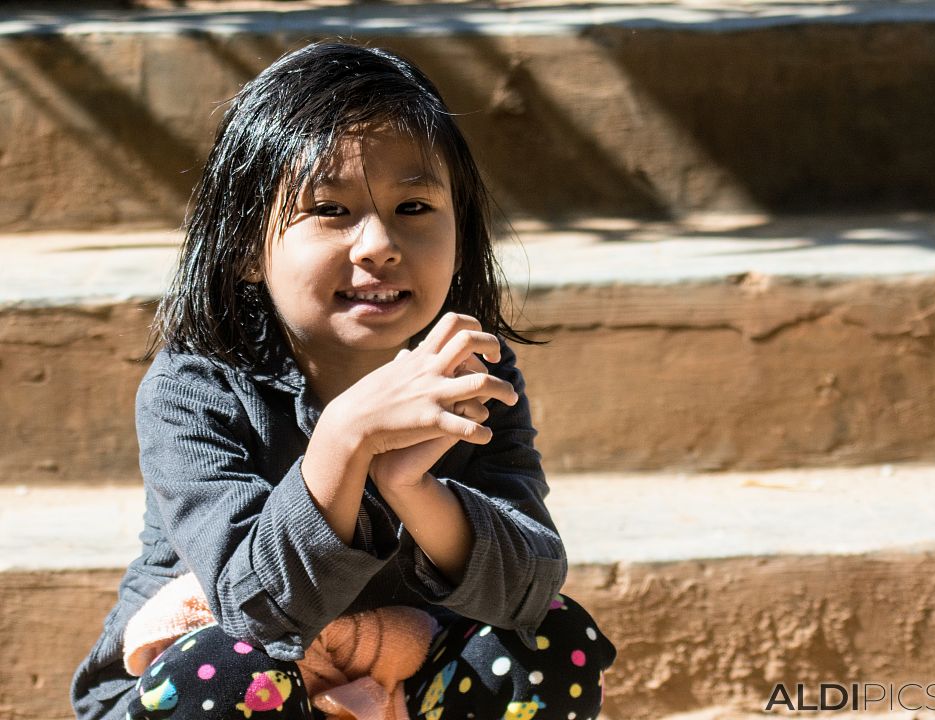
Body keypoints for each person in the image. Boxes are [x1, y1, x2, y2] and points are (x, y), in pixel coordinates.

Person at [72, 42, 615, 720]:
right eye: (330, 211)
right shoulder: (193, 388)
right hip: (221, 681)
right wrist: (345, 439)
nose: (378, 244)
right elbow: (254, 612)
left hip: (406, 676)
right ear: (245, 247)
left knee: (554, 641)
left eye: (414, 208)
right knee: (227, 675)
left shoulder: (473, 370)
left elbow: (530, 586)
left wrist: (412, 487)